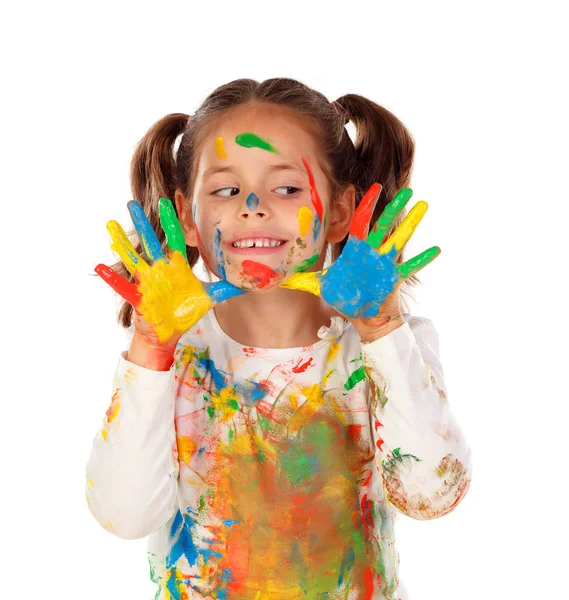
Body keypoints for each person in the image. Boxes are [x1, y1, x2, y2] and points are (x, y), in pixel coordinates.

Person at [85, 77, 472, 600]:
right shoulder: (173, 353)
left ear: (338, 211)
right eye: (225, 189)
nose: (252, 205)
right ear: (187, 218)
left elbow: (433, 495)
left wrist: (381, 328)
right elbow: (123, 516)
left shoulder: (386, 343)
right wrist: (150, 351)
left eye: (286, 188)